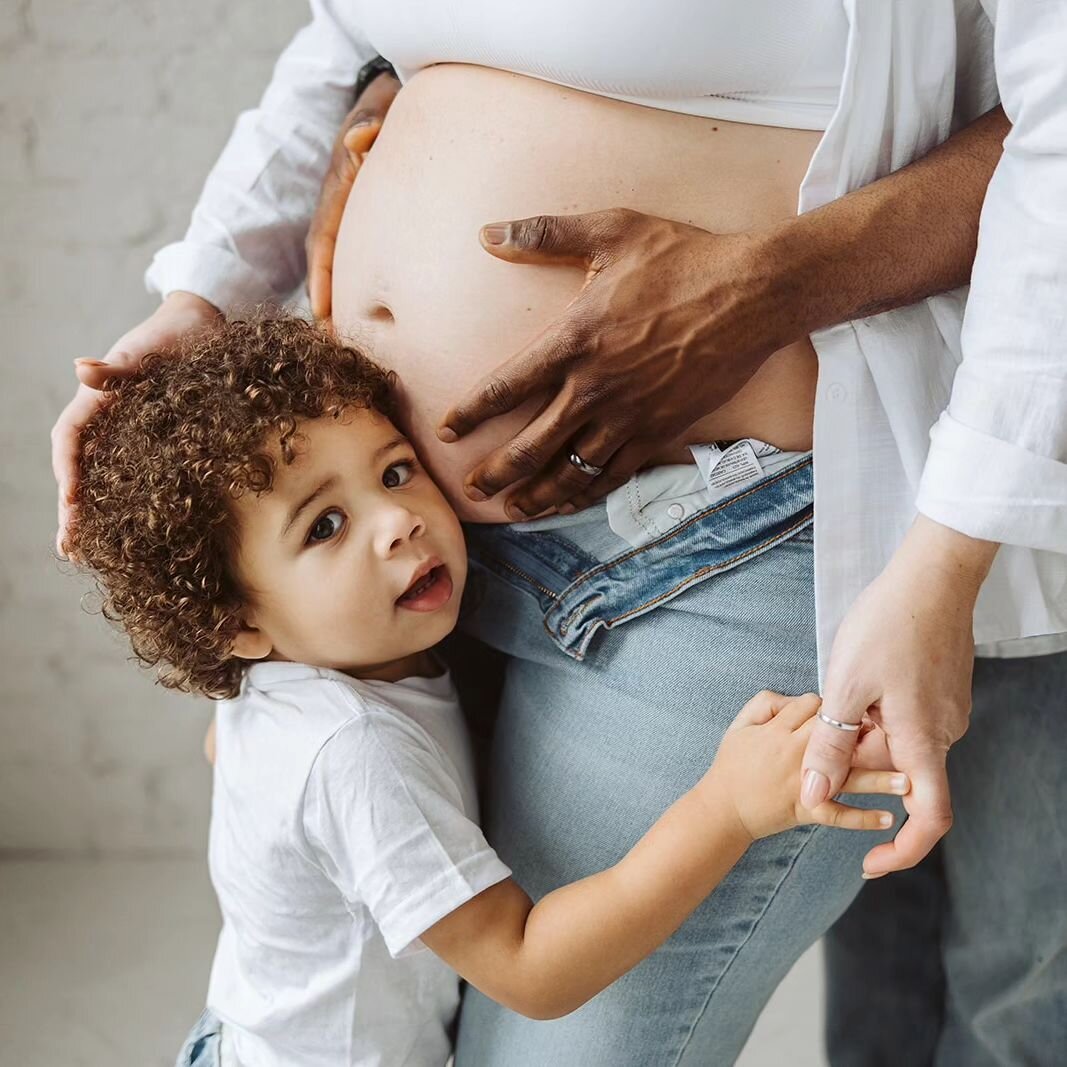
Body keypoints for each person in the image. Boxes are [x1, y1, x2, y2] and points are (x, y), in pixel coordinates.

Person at [50, 3, 1067, 1063]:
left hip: (725, 528)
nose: (388, 518)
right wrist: (205, 292)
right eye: (330, 523)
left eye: (384, 490)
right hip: (459, 567)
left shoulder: (307, 696)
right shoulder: (326, 711)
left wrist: (943, 547)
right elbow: (339, 37)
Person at [63, 316, 906, 1067]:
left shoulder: (277, 674)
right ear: (235, 624)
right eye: (324, 525)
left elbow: (227, 743)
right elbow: (531, 969)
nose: (397, 521)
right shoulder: (352, 753)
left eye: (394, 472)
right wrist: (725, 807)